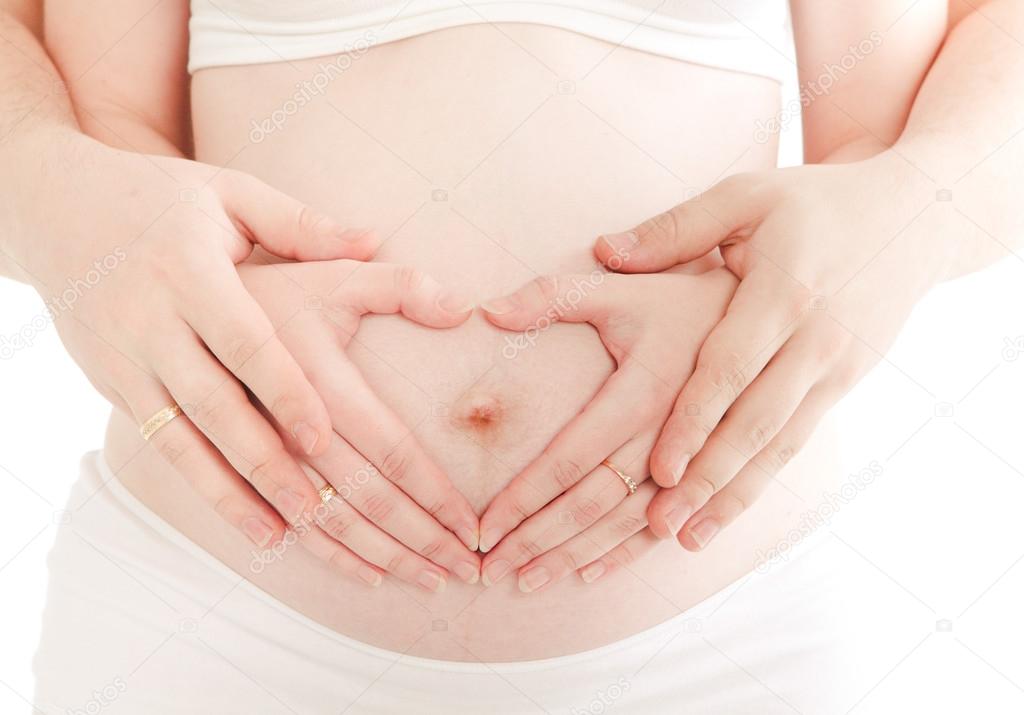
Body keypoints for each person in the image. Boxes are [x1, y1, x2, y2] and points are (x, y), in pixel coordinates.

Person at [1, 0, 1019, 712]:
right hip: (217, 617)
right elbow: (108, 138)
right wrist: (60, 198)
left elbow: (911, 121)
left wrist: (911, 207)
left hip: (728, 630)